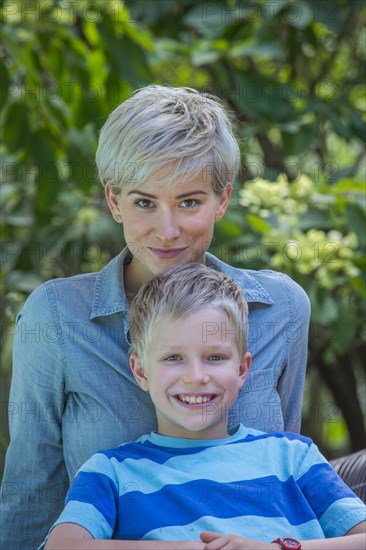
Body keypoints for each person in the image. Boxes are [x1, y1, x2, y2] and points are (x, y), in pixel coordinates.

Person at [1, 85, 311, 549]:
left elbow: (284, 477)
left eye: (189, 202)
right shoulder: (57, 319)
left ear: (222, 199)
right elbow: (32, 494)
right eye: (144, 202)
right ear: (113, 200)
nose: (167, 232)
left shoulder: (280, 308)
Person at [44, 264, 365, 549]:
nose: (196, 377)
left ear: (242, 369)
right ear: (141, 371)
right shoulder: (110, 471)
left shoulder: (293, 456)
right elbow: (63, 545)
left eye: (215, 358)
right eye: (173, 358)